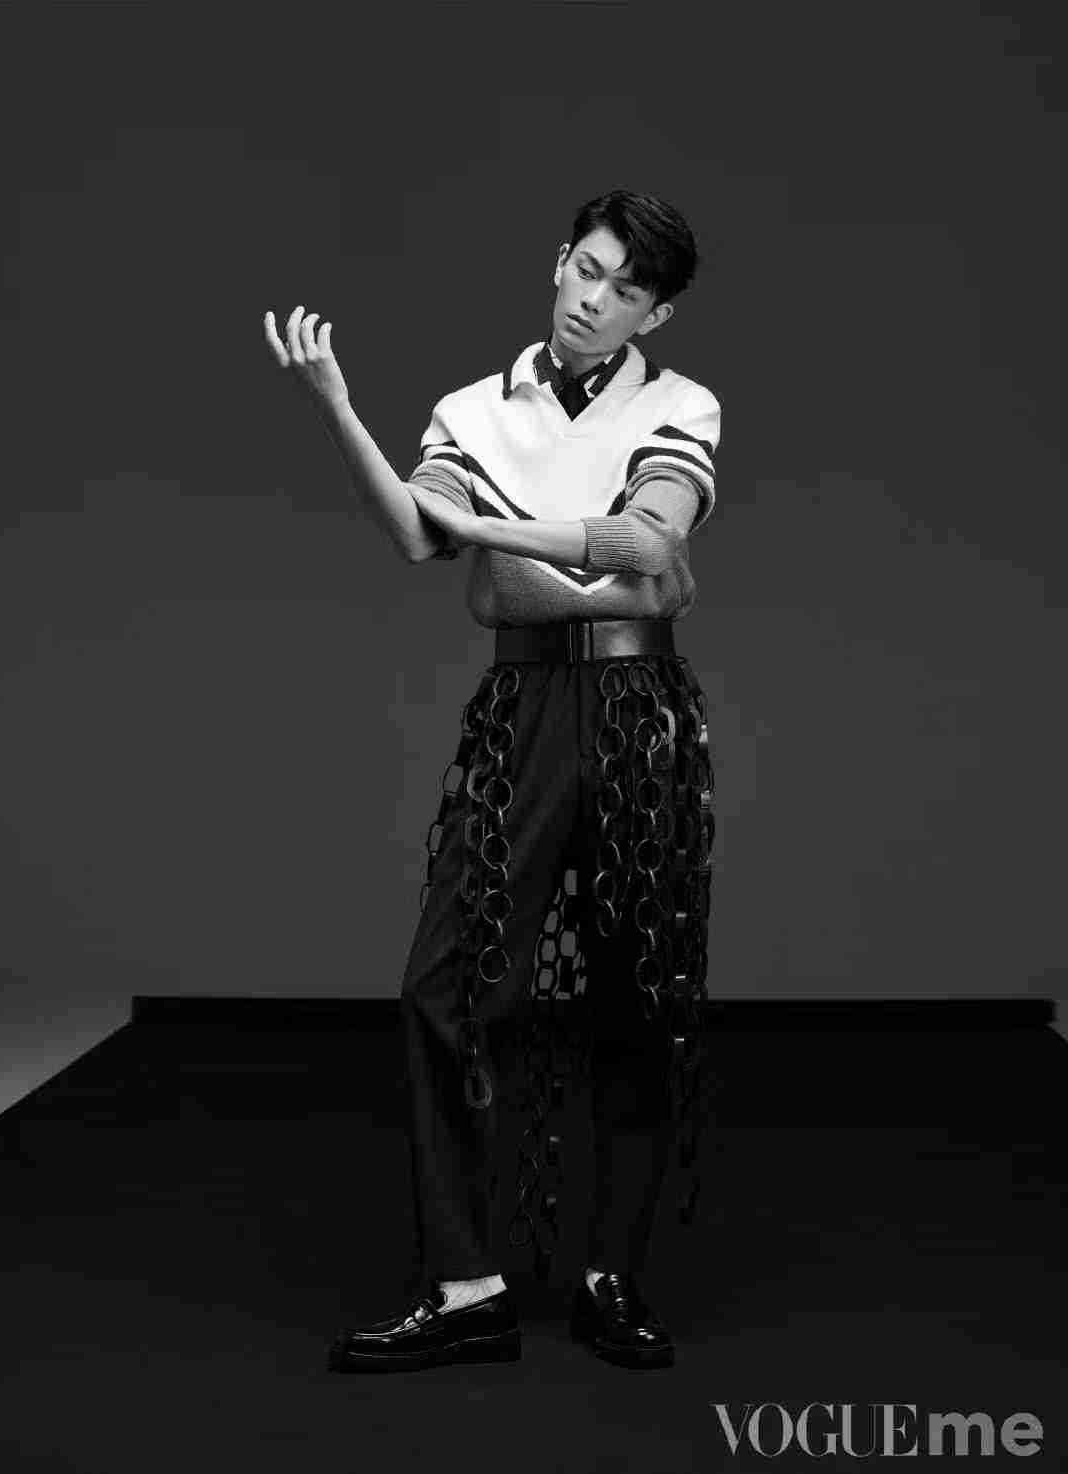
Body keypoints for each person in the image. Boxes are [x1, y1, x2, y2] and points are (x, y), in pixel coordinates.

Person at [263, 188, 721, 1373]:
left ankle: (612, 1276)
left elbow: (647, 544)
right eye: (586, 267)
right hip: (522, 705)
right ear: (559, 260)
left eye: (626, 289)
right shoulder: (472, 409)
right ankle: (468, 1285)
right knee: (450, 984)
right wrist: (339, 410)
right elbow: (421, 535)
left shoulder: (681, 404)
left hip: (639, 706)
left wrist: (493, 528)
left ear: (655, 313)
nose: (593, 298)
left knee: (640, 992)